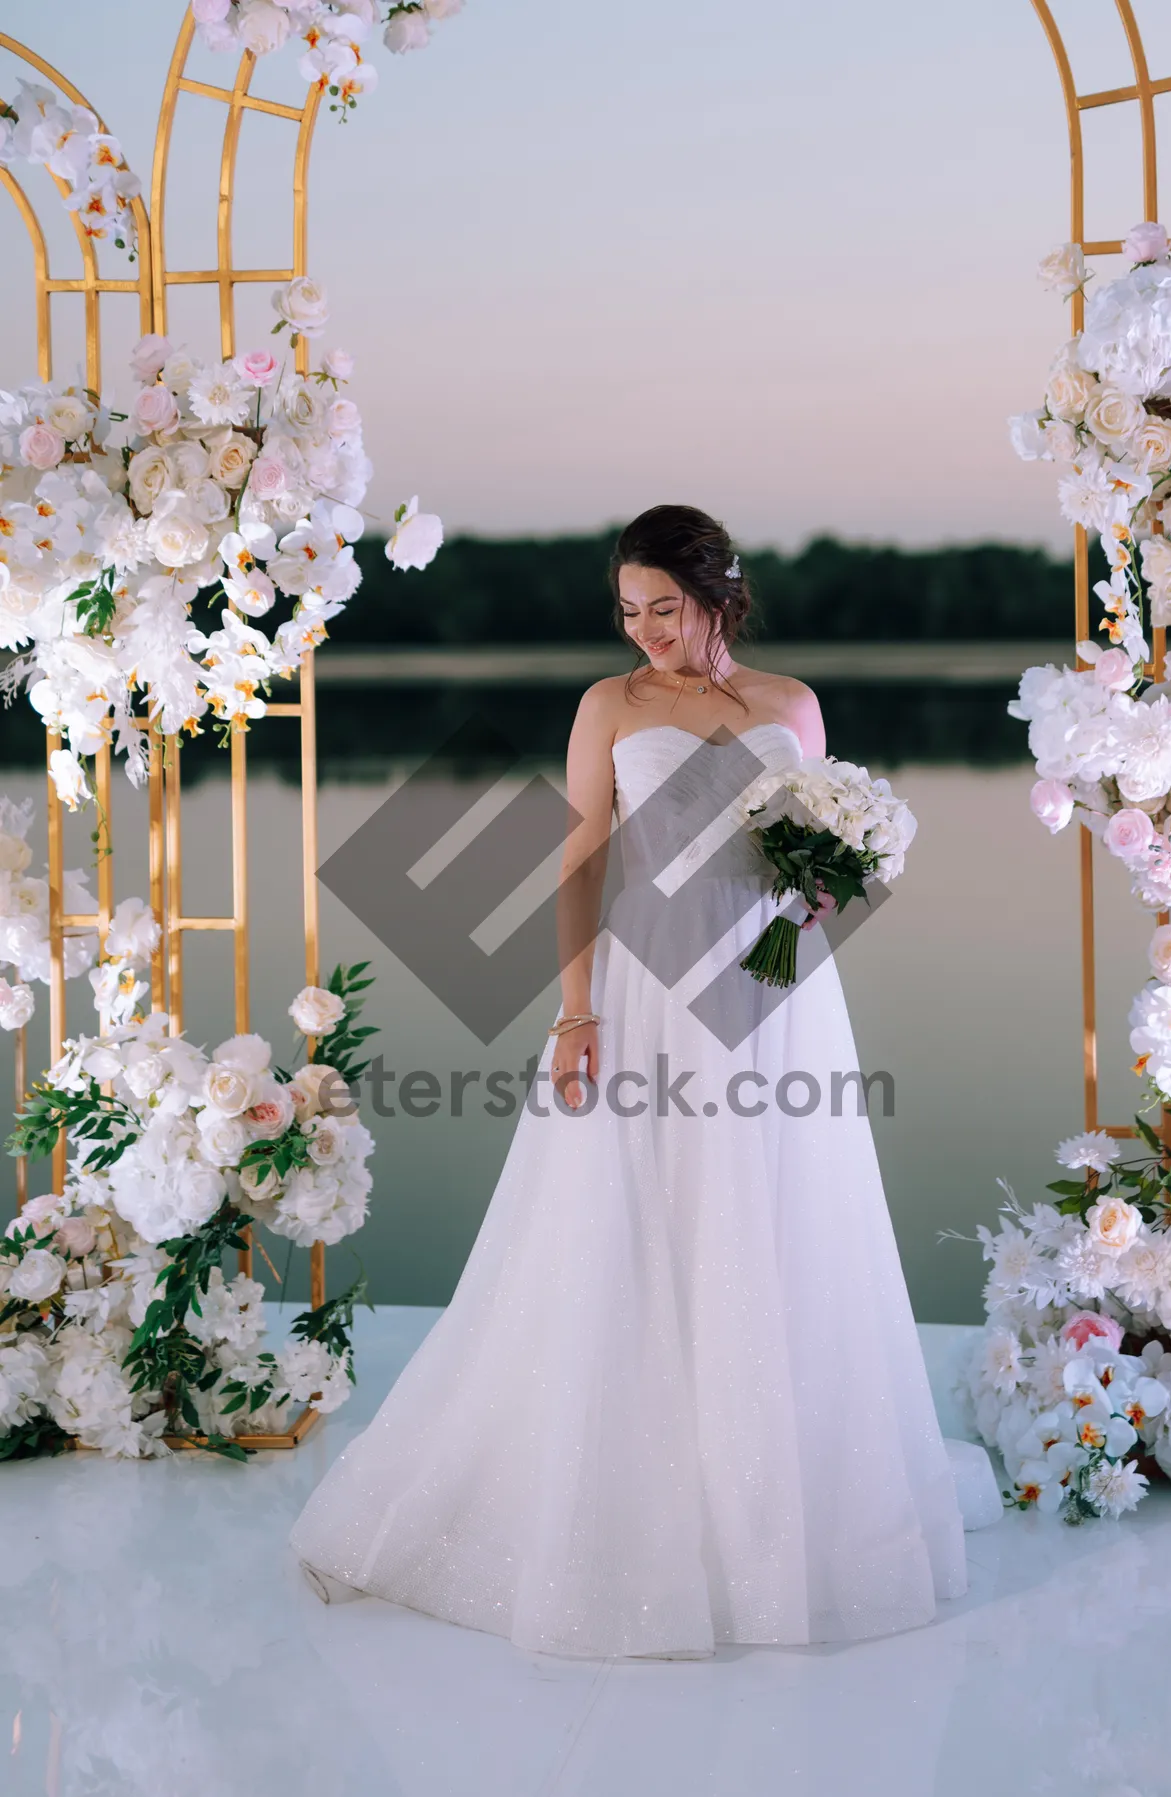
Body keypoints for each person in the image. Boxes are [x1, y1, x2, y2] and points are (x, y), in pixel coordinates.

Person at [290, 503, 983, 1658]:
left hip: (778, 994)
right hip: (647, 991)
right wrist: (573, 1010)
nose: (648, 632)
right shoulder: (610, 707)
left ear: (721, 597)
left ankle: (779, 1520)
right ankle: (626, 1501)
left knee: (780, 1220)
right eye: (630, 611)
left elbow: (821, 846)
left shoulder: (793, 706)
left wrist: (825, 887)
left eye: (667, 608)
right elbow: (577, 858)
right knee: (636, 1220)